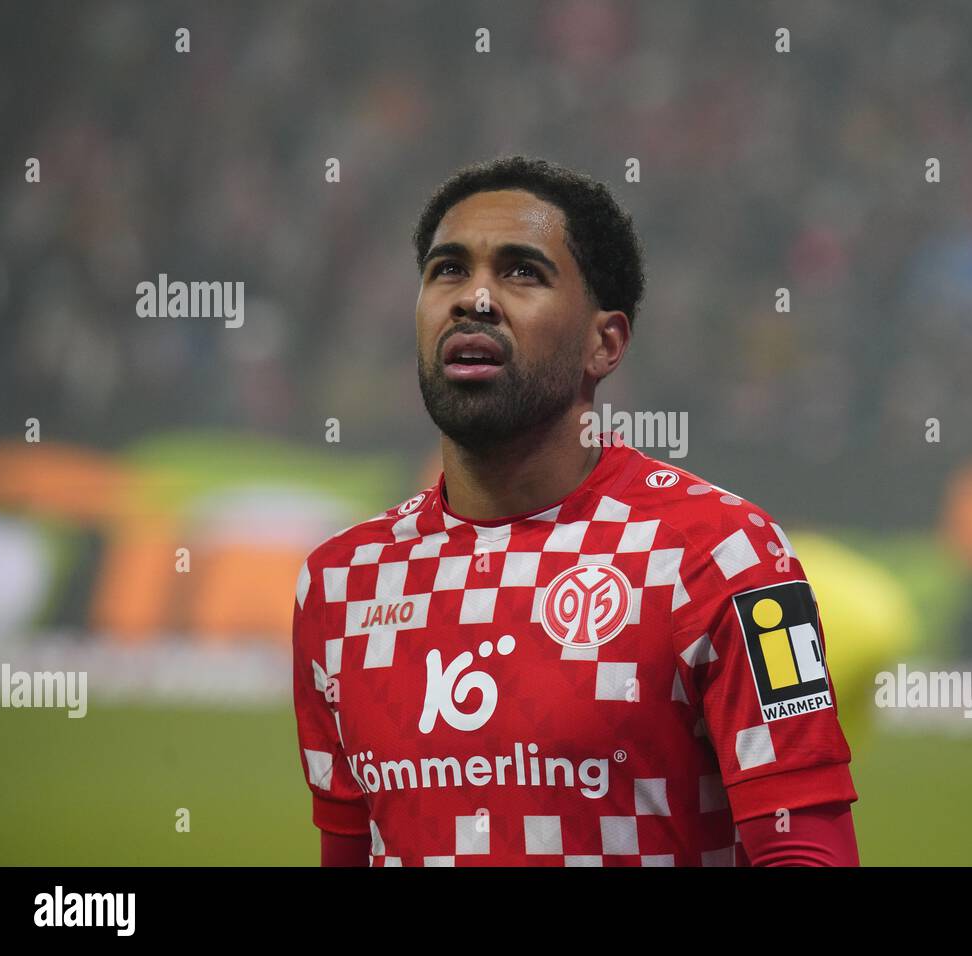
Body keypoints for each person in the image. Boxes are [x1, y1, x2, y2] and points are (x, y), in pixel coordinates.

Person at [292, 155, 860, 866]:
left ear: (606, 343)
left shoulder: (724, 556)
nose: (474, 298)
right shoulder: (341, 583)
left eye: (522, 272)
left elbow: (810, 855)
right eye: (447, 270)